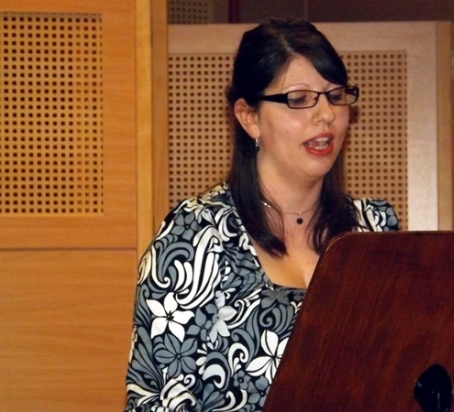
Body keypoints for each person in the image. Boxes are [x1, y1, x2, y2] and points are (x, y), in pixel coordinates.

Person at [125, 18, 400, 412]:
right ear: (249, 117)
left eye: (335, 96)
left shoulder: (375, 230)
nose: (326, 115)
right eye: (300, 99)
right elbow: (155, 401)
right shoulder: (195, 238)